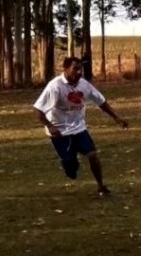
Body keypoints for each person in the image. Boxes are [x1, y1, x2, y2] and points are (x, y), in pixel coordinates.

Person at [32, 56, 129, 196]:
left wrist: (117, 118)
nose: (79, 72)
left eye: (80, 69)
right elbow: (38, 109)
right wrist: (50, 126)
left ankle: (101, 186)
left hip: (79, 128)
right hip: (59, 132)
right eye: (75, 69)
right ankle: (69, 163)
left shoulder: (84, 85)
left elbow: (101, 102)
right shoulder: (55, 86)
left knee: (93, 155)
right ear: (65, 69)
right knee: (71, 170)